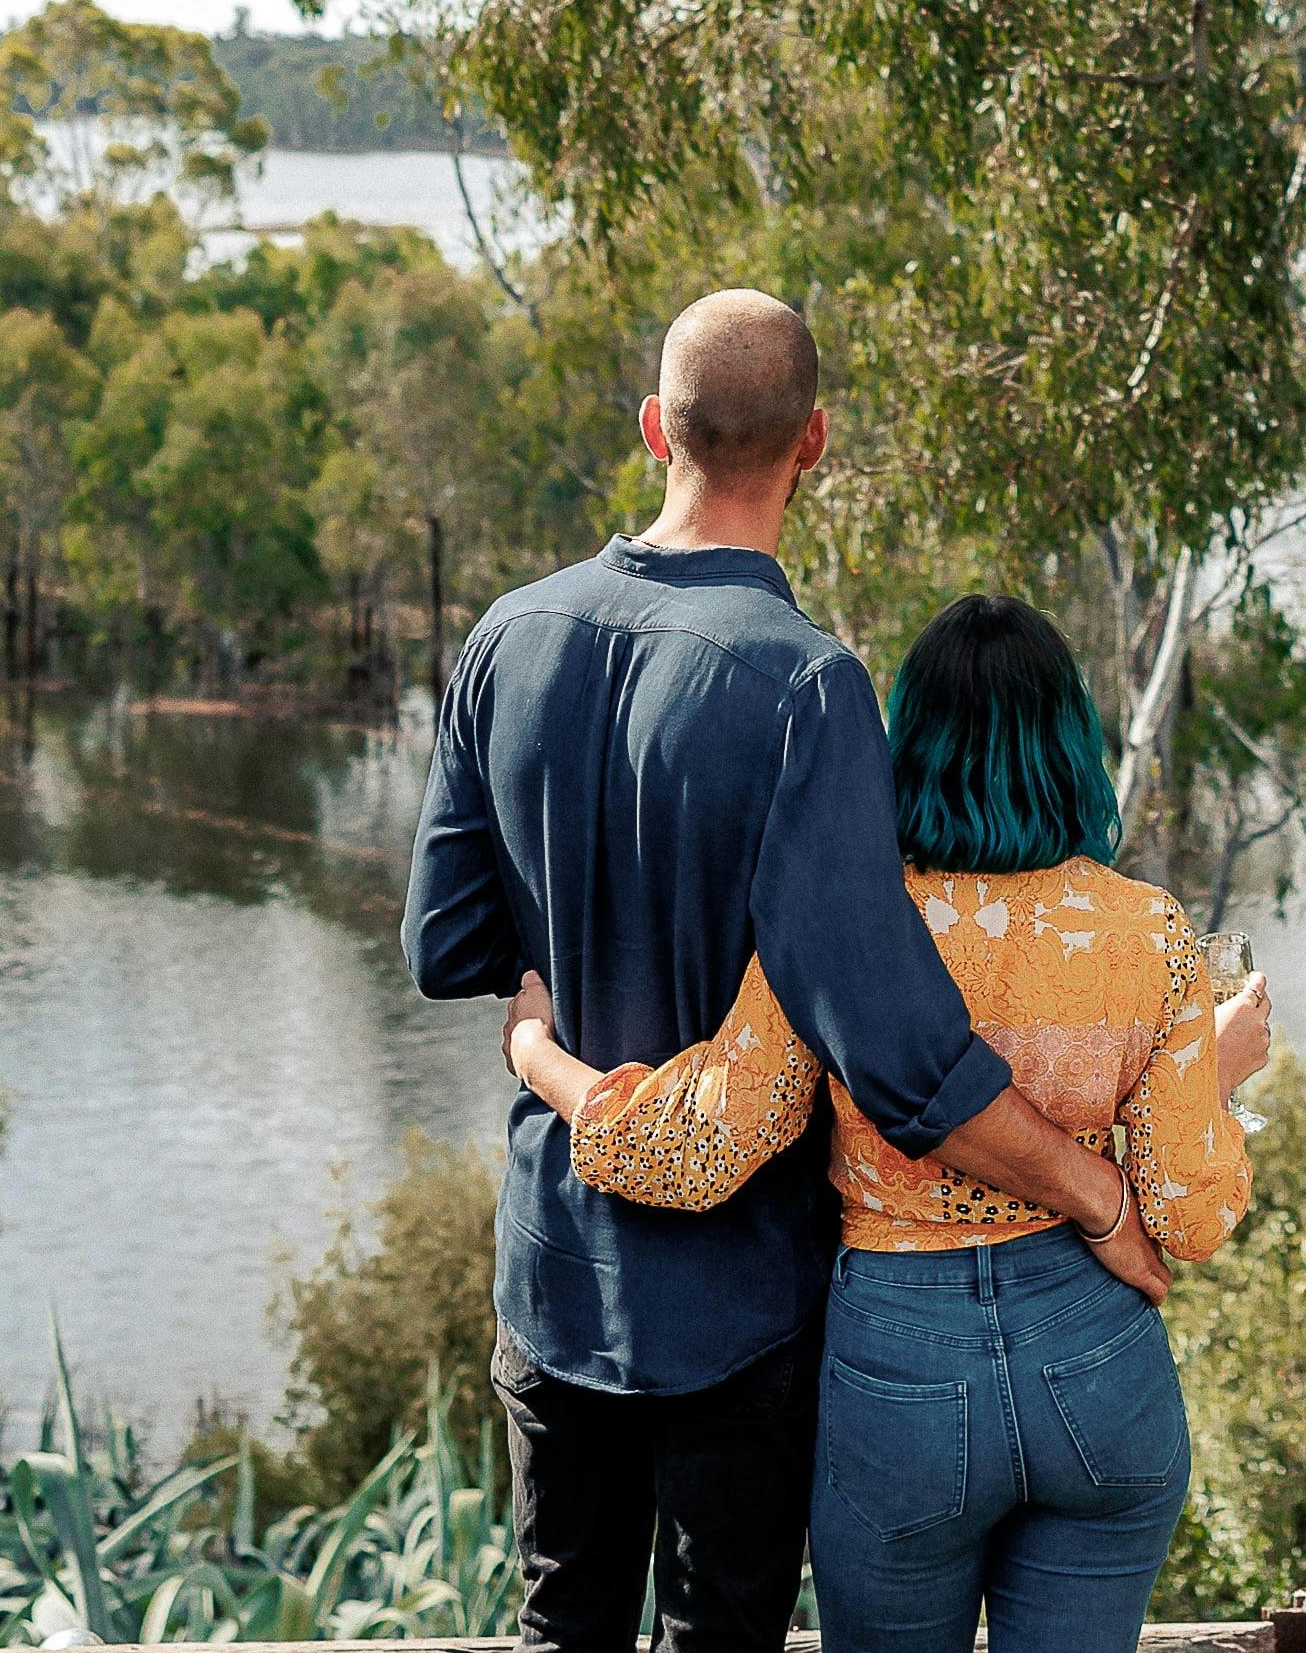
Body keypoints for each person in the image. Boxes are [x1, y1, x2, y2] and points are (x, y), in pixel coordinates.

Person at [405, 293, 1168, 1653]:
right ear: (813, 444)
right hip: (740, 1305)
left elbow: (445, 946)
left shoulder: (505, 641)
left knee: (555, 1628)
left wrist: (551, 1028)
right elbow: (898, 1047)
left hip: (555, 1271)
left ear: (655, 429)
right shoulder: (807, 688)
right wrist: (1094, 1194)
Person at [508, 593, 1271, 1653]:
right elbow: (1190, 1219)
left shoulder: (849, 924)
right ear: (1072, 749)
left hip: (901, 1382)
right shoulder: (1152, 935)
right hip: (1099, 1367)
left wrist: (536, 1054)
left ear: (904, 746)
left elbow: (694, 1150)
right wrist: (1216, 1075)